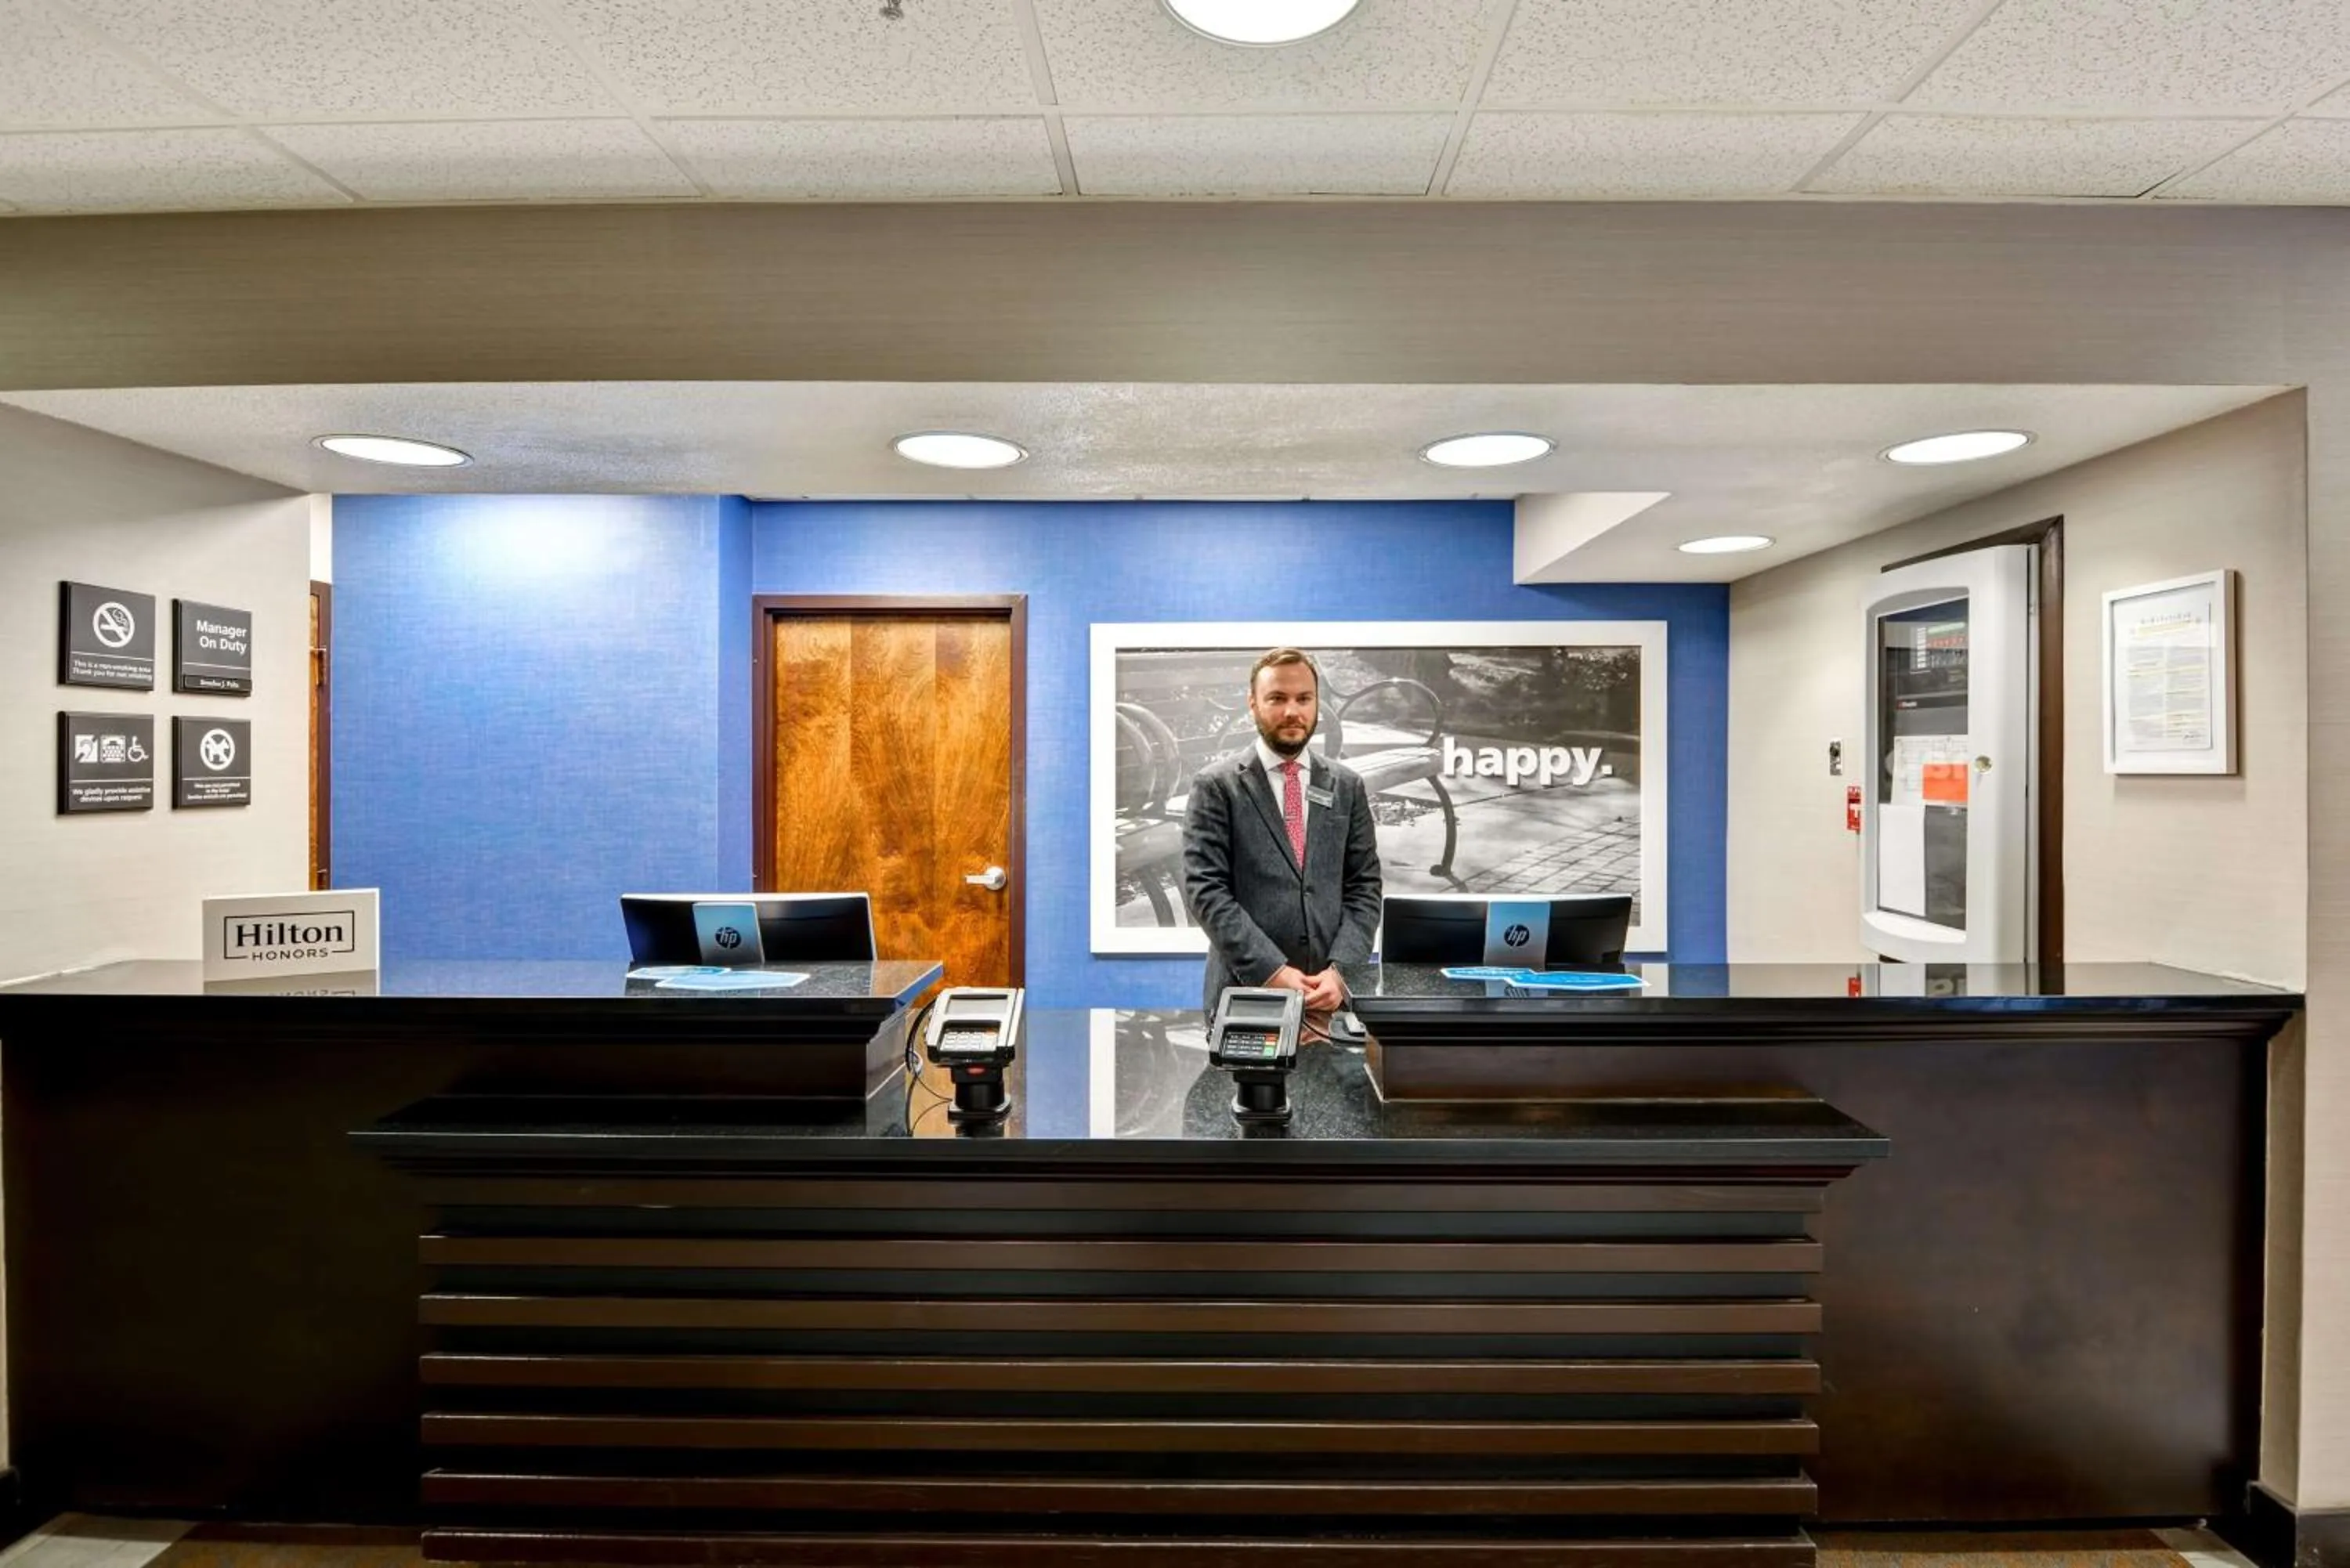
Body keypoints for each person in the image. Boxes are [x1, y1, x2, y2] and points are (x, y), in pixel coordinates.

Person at [1180, 647, 1383, 1028]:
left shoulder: (1347, 786)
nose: (1292, 711)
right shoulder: (1216, 786)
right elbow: (1205, 891)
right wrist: (1271, 971)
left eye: (1304, 699)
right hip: (1245, 1000)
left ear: (1317, 704)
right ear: (1253, 704)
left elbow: (1364, 887)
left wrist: (1342, 972)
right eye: (1277, 698)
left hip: (1330, 1002)